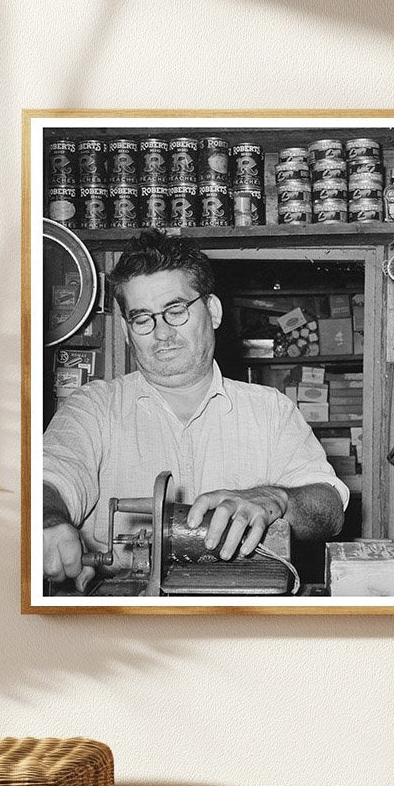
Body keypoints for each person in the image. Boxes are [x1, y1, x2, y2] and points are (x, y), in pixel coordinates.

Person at [42, 228, 347, 590]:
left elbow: (329, 510)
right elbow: (51, 478)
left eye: (176, 311)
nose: (161, 333)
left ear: (213, 311)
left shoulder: (271, 411)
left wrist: (277, 498)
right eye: (142, 318)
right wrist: (47, 521)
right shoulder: (93, 408)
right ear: (125, 330)